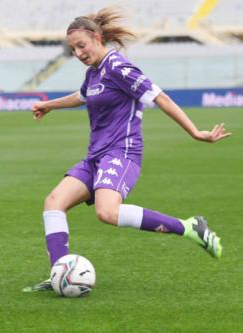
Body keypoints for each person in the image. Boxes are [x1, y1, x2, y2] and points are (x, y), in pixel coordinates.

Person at [23, 7, 231, 292]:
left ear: (97, 38)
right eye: (73, 50)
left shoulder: (118, 67)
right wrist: (49, 105)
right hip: (96, 156)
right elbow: (82, 96)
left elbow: (160, 97)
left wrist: (195, 132)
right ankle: (60, 272)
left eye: (81, 46)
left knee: (107, 212)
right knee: (53, 203)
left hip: (121, 153)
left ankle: (190, 227)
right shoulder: (94, 73)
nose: (79, 54)